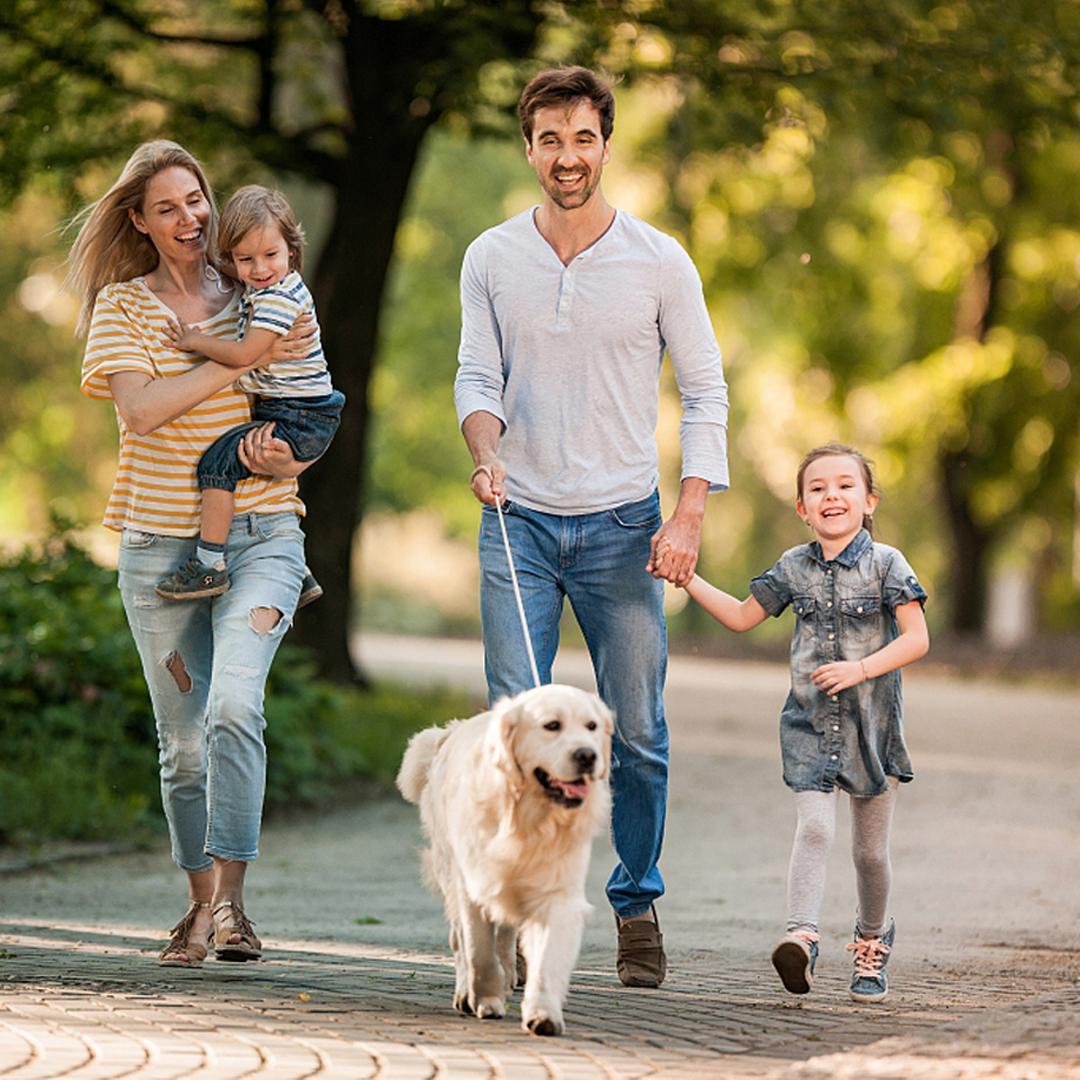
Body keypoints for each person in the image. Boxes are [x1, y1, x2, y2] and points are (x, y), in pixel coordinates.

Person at [454, 66, 729, 988]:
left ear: (606, 145)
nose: (566, 157)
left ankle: (637, 899)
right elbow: (476, 379)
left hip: (624, 527)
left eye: (582, 139)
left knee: (639, 730)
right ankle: (522, 909)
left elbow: (705, 391)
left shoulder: (659, 260)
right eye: (548, 140)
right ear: (528, 147)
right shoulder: (491, 257)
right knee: (514, 725)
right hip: (516, 520)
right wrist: (484, 447)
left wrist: (688, 513)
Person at [70, 140, 318, 967]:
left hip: (264, 536)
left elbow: (307, 407)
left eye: (197, 199)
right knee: (183, 743)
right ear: (139, 221)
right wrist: (240, 363)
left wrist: (294, 456)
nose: (191, 218)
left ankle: (235, 911)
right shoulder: (124, 309)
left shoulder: (262, 286)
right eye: (168, 206)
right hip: (157, 551)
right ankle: (198, 905)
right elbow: (142, 412)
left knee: (234, 707)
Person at [669, 443, 929, 1002]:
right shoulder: (793, 566)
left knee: (868, 853)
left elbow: (917, 639)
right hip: (810, 728)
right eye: (817, 489)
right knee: (814, 828)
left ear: (868, 500)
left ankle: (870, 942)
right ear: (802, 509)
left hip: (873, 730)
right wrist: (687, 577)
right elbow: (742, 616)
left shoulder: (888, 564)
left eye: (844, 485)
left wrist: (861, 668)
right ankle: (802, 935)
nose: (831, 495)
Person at [155, 185, 345, 601]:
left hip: (298, 414)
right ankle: (295, 569)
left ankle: (208, 565)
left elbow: (245, 354)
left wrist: (194, 341)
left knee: (218, 466)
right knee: (248, 468)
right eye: (246, 259)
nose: (260, 268)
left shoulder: (278, 297)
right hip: (298, 408)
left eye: (270, 255)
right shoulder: (268, 286)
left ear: (291, 251)